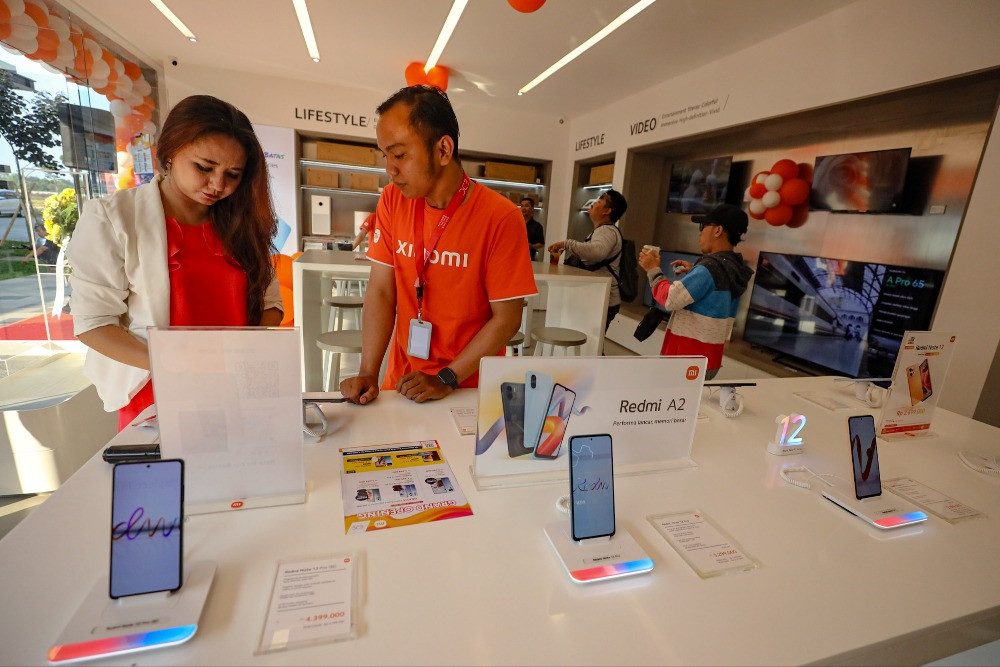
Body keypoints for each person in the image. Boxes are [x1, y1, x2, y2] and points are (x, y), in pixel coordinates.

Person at [68, 95, 283, 430]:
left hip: (233, 388)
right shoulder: (114, 218)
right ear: (169, 152)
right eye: (204, 168)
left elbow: (271, 304)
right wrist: (175, 364)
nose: (218, 185)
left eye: (233, 174)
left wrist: (244, 354)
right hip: (154, 391)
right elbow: (94, 324)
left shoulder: (242, 225)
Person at [340, 85, 537, 405]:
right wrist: (368, 371)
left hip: (467, 389)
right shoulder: (392, 200)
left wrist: (447, 377)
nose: (390, 169)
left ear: (443, 150)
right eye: (385, 156)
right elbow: (381, 290)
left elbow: (507, 318)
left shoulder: (501, 217)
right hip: (402, 382)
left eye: (399, 154)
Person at [638, 203, 753, 380]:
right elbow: (713, 294)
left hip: (685, 361)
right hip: (709, 359)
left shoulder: (708, 269)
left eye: (703, 227)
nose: (700, 233)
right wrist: (695, 271)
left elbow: (670, 299)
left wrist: (653, 269)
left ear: (718, 230)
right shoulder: (733, 268)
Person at [547, 189, 628, 331]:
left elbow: (597, 252)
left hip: (602, 298)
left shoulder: (606, 231)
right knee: (587, 338)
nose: (593, 203)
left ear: (607, 210)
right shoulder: (604, 230)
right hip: (599, 296)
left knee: (590, 340)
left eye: (599, 200)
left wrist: (567, 244)